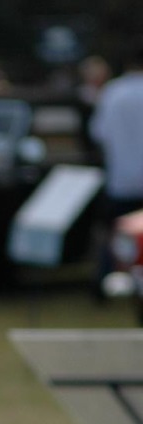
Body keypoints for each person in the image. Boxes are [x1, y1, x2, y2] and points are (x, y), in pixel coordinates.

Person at [88, 42, 143, 294]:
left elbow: (99, 133)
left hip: (121, 179)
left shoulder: (113, 92)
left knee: (117, 239)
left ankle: (104, 283)